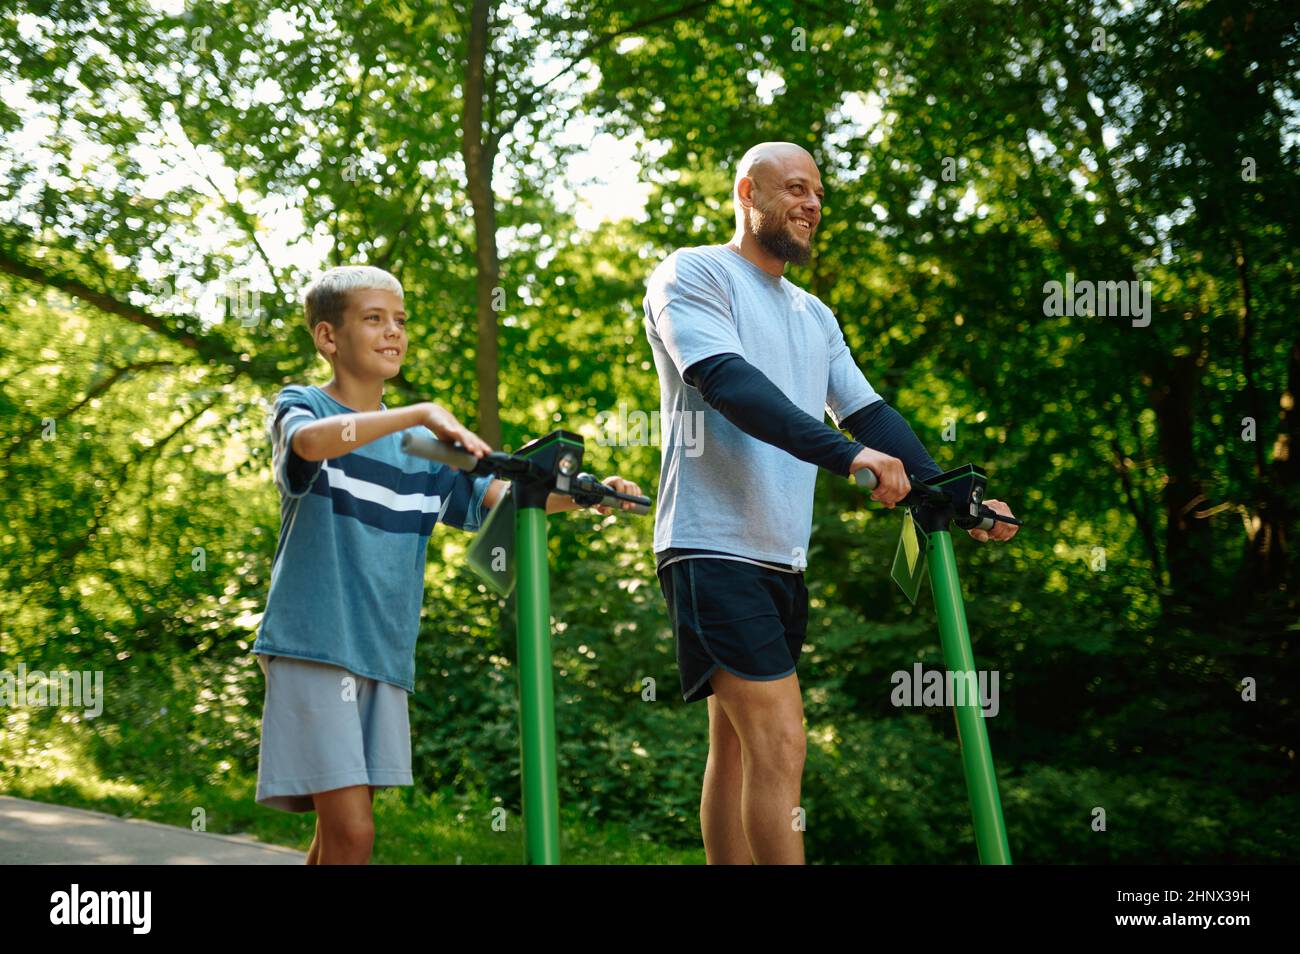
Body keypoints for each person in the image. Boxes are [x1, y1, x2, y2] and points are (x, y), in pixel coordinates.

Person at [642, 142, 1018, 864]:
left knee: (737, 744)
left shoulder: (814, 314)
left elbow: (868, 413)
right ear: (747, 190)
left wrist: (953, 492)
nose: (812, 204)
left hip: (780, 551)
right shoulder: (693, 273)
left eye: (818, 193)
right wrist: (845, 457)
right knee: (781, 739)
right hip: (710, 542)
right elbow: (726, 382)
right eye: (794, 189)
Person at [253, 264, 640, 863]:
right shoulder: (302, 406)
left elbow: (507, 496)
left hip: (383, 652)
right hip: (315, 642)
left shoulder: (426, 450)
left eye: (400, 321)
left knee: (336, 836)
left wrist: (591, 494)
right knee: (354, 834)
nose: (393, 333)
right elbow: (307, 445)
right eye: (374, 319)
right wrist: (416, 413)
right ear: (328, 337)